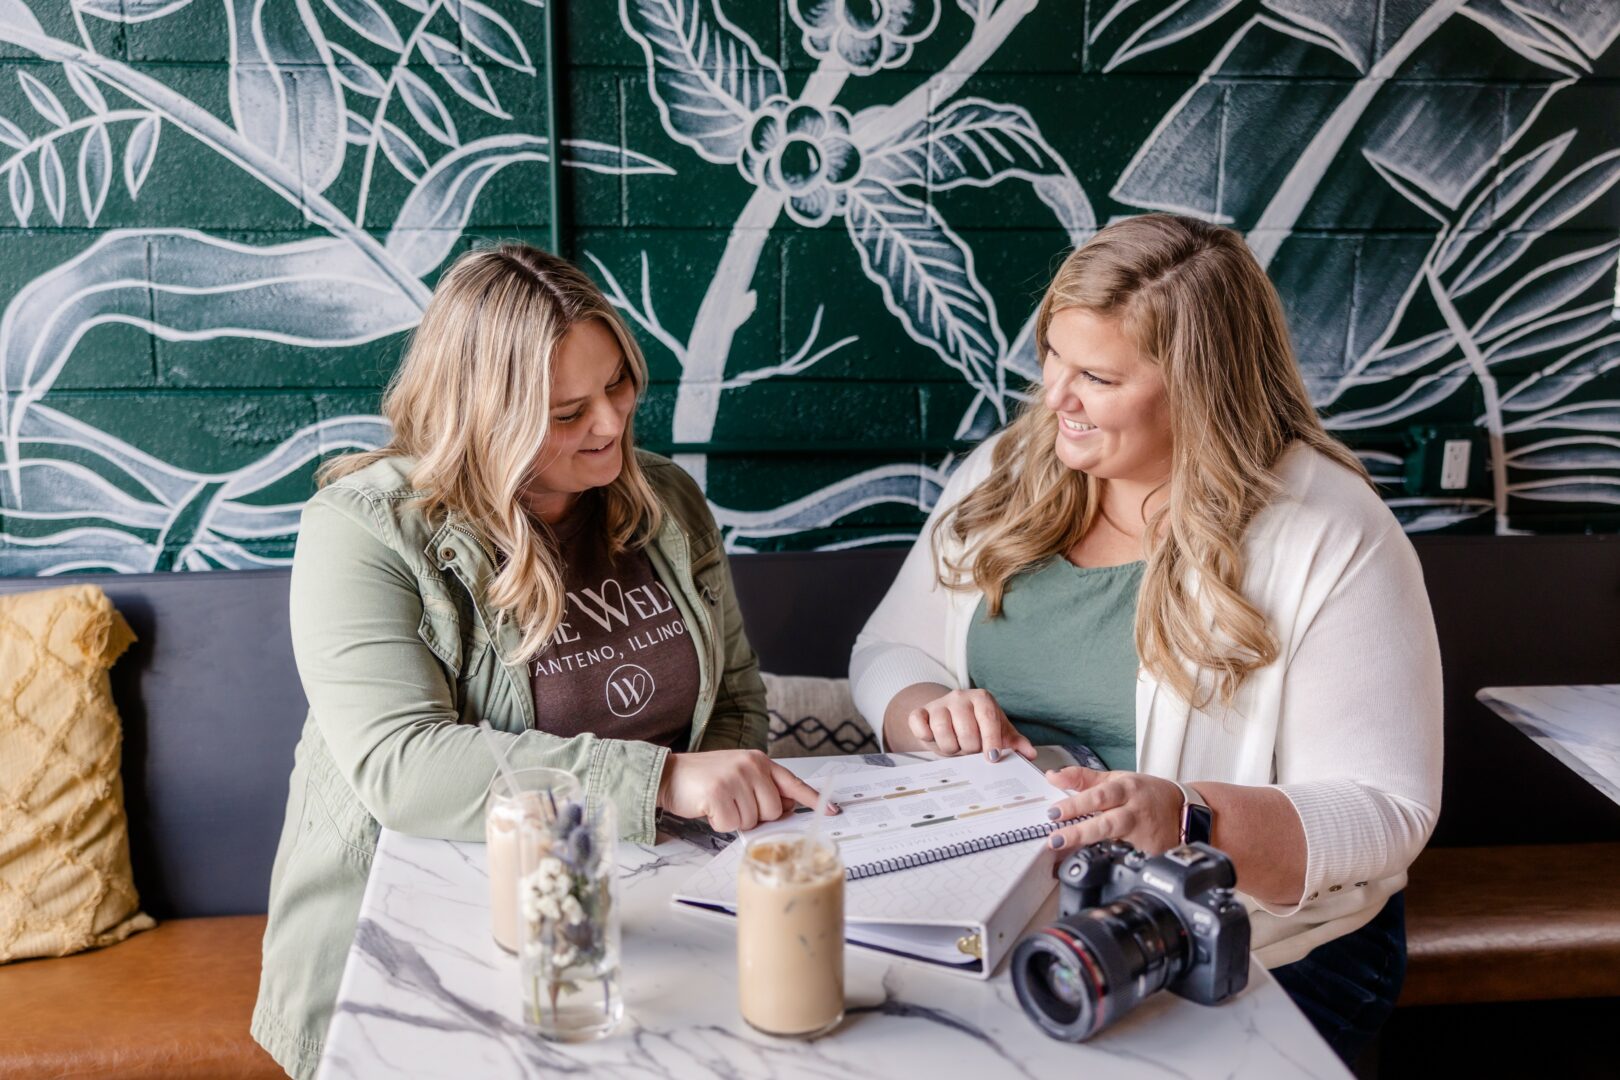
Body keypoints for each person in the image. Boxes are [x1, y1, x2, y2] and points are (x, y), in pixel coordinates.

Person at [849, 213, 1442, 1064]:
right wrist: (926, 708)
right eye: (1053, 355)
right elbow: (887, 651)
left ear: (1200, 388)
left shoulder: (1330, 530)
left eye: (1097, 376)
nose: (1056, 397)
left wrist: (1191, 818)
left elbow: (1386, 811)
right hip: (1017, 919)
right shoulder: (1008, 470)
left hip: (1260, 953)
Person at [251, 243, 823, 1078]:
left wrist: (712, 838)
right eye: (566, 413)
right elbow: (402, 767)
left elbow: (733, 697)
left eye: (618, 385)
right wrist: (661, 782)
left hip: (643, 923)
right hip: (415, 943)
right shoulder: (365, 528)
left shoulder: (665, 500)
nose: (611, 424)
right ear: (481, 413)